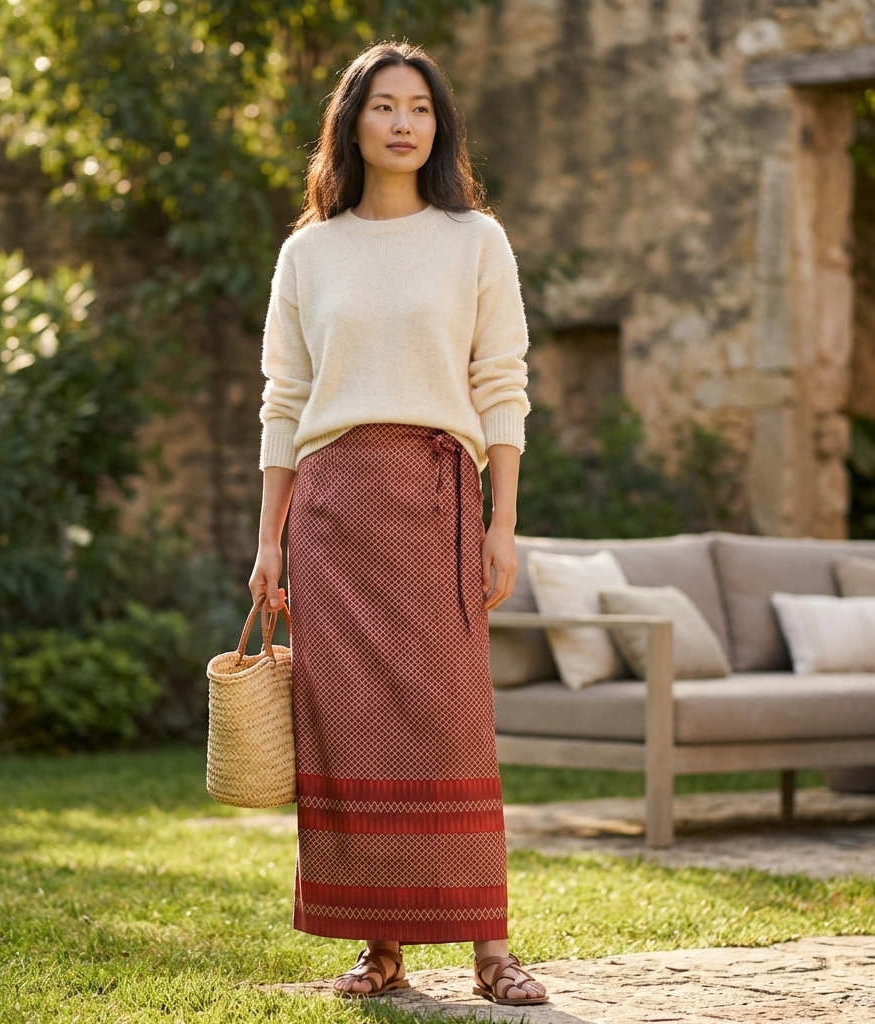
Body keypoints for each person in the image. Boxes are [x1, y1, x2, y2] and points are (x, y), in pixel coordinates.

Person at [248, 40, 547, 1008]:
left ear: (439, 124)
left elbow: (501, 382)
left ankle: (491, 947)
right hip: (332, 512)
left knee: (453, 722)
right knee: (352, 731)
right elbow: (284, 400)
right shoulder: (308, 252)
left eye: (419, 106)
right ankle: (381, 950)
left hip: (437, 496)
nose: (403, 122)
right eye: (384, 105)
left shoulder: (475, 241)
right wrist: (268, 541)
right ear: (353, 123)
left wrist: (503, 522)